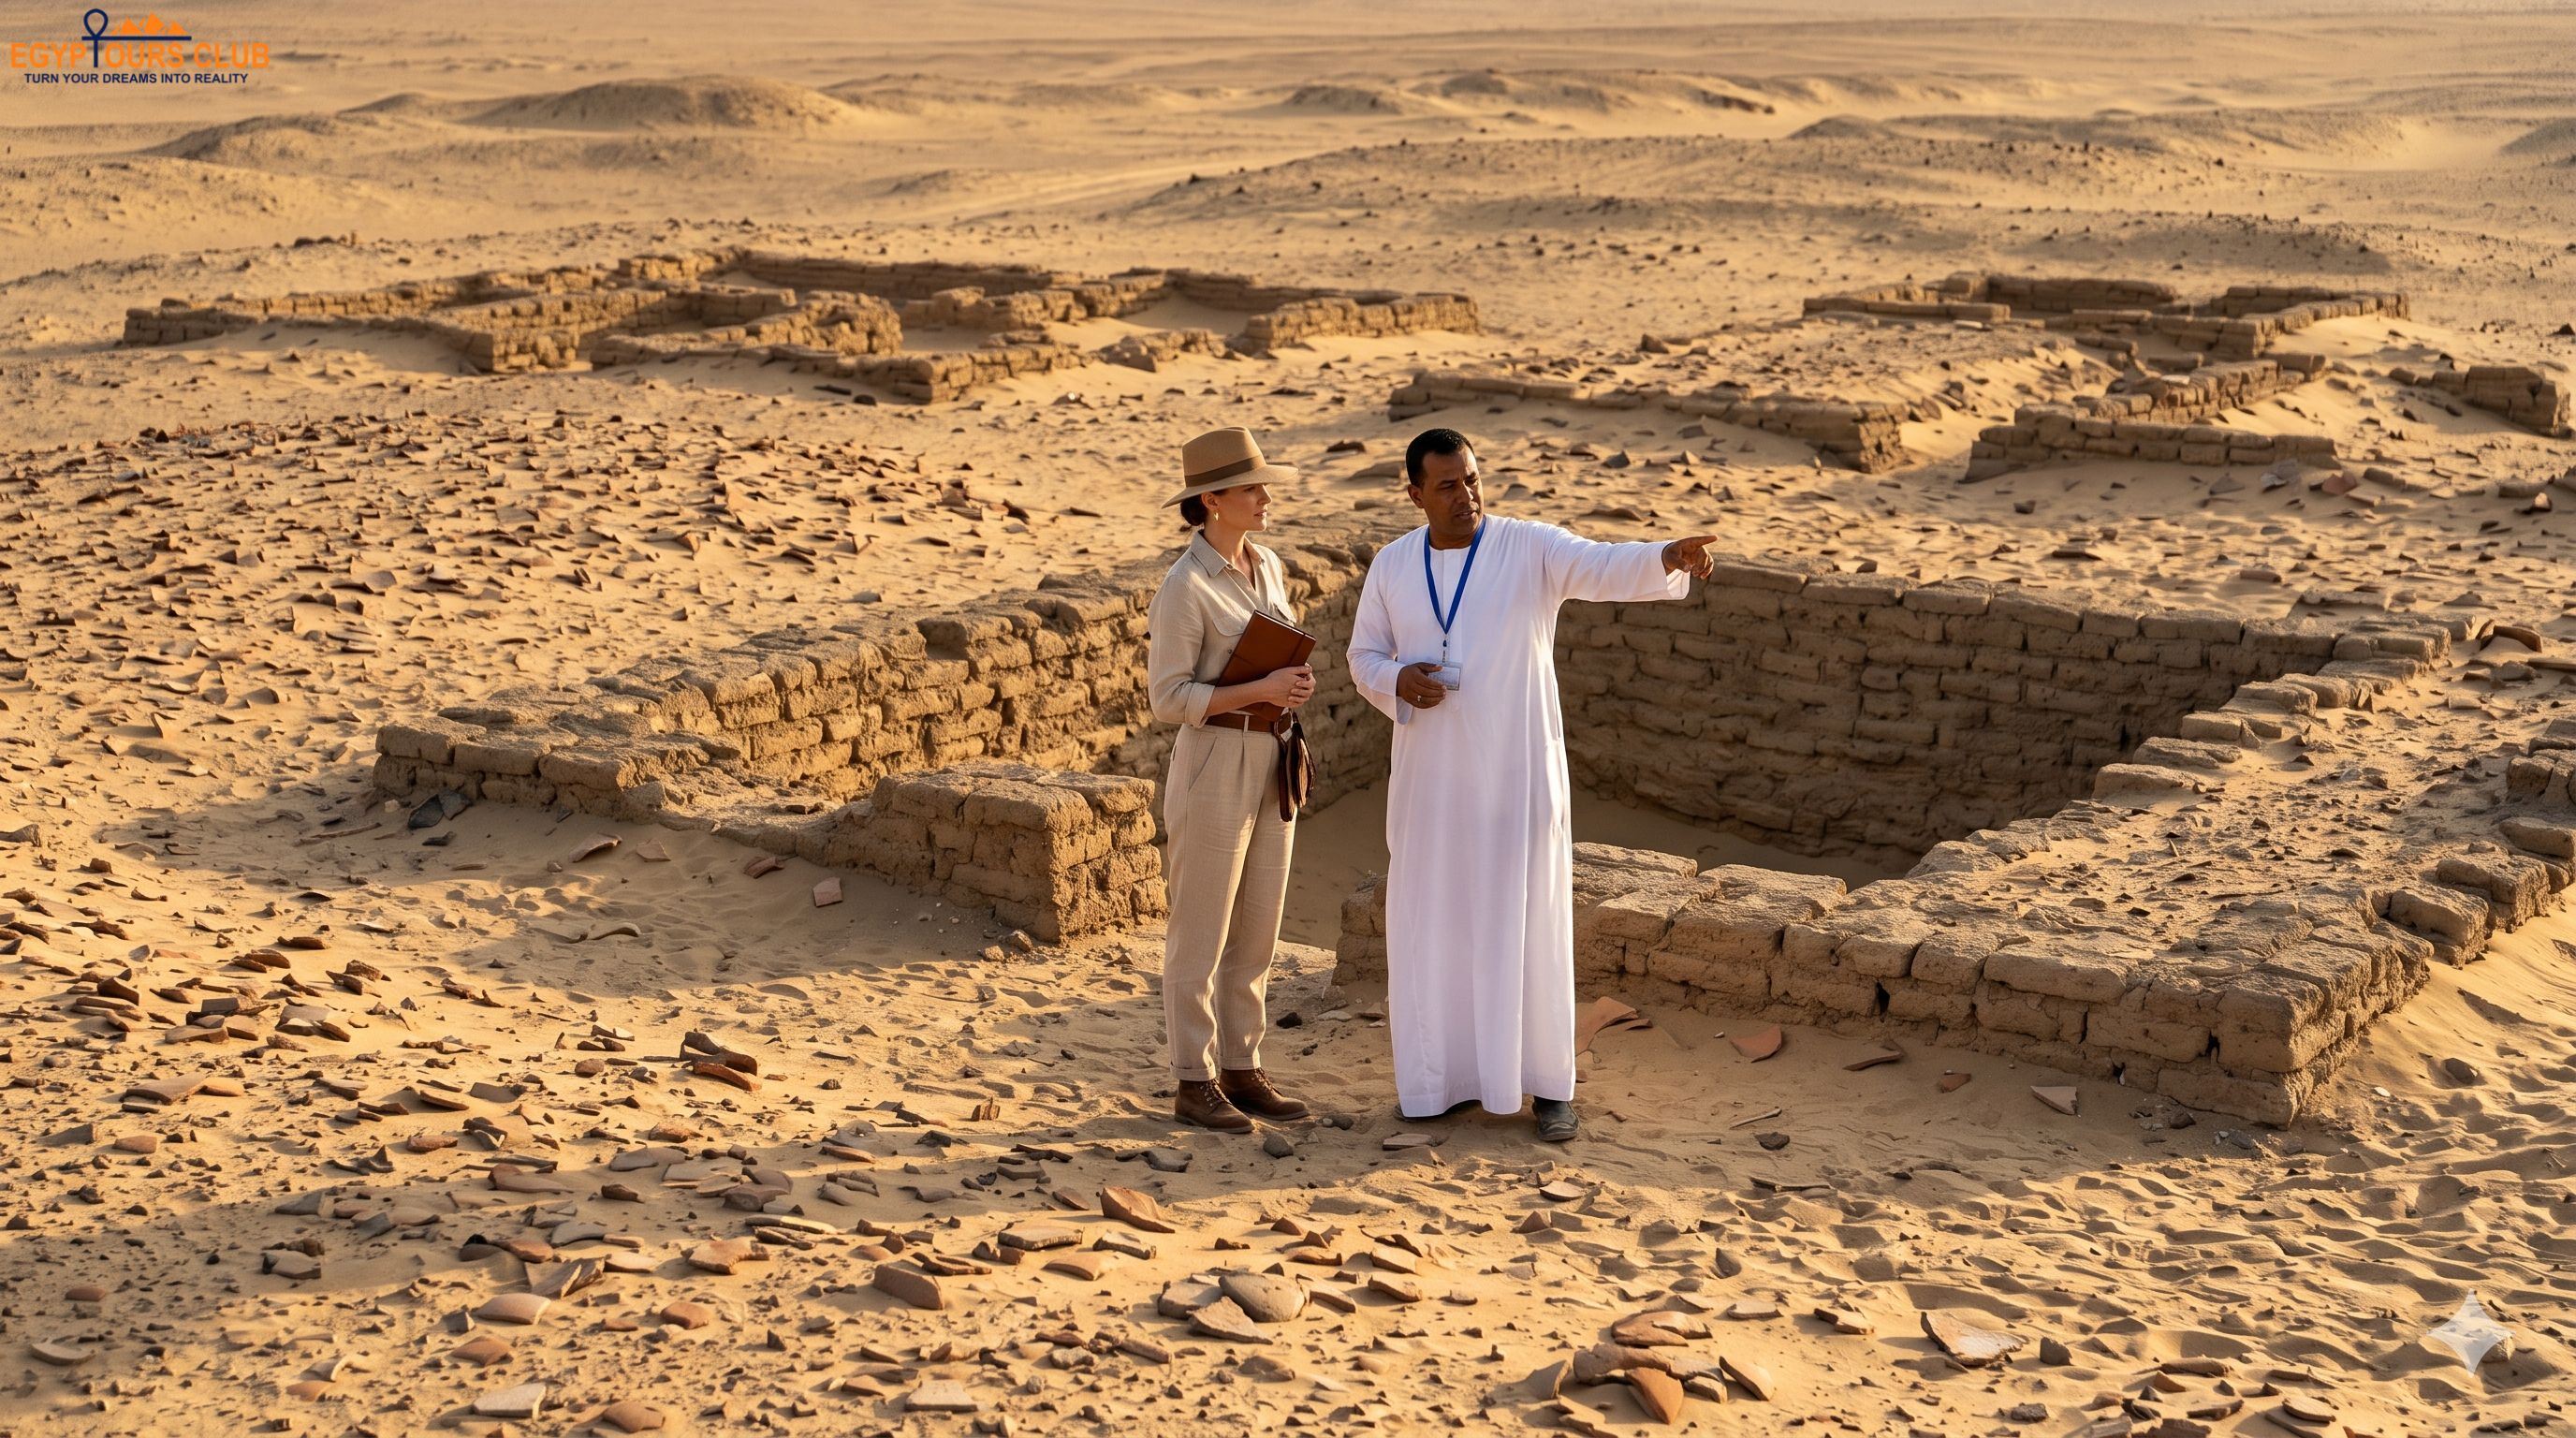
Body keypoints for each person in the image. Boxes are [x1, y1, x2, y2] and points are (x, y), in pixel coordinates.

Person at [1346, 427, 1717, 1142]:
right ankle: (1437, 1085)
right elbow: (1363, 653)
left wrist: (1665, 556)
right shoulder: (1392, 566)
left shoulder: (1527, 546)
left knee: (1530, 924)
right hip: (1432, 784)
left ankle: (1548, 1087)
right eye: (1449, 485)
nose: (1467, 496)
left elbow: (1600, 564)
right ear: (1415, 492)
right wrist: (1397, 679)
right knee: (1434, 923)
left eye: (1475, 479)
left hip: (1519, 777)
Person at [1145, 427, 1319, 1134]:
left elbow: (1269, 656)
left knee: (1257, 928)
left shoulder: (1267, 565)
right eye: (1252, 488)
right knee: (1202, 930)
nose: (1265, 498)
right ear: (1211, 500)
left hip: (1272, 757)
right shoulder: (1183, 587)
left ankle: (1243, 1067)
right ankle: (1194, 1078)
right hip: (1214, 760)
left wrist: (1292, 685)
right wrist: (1261, 688)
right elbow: (1167, 700)